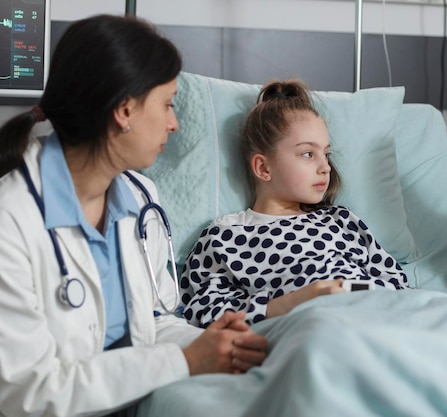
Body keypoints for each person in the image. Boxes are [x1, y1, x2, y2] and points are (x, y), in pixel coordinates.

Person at [0, 14, 267, 417]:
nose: (174, 123)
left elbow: (152, 321)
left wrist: (204, 343)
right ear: (125, 110)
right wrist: (185, 362)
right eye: (167, 104)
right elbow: (26, 394)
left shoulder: (141, 199)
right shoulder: (11, 220)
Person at [179, 79, 409, 327]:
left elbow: (397, 282)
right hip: (313, 327)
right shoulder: (226, 236)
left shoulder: (341, 221)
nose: (325, 167)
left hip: (381, 316)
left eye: (326, 154)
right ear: (264, 167)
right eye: (308, 154)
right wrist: (294, 301)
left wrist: (353, 290)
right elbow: (202, 311)